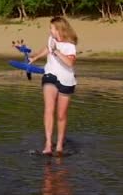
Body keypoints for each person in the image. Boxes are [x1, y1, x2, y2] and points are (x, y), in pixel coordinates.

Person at [28, 17, 78, 156]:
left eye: (52, 28)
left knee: (61, 115)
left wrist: (56, 51)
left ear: (59, 29)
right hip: (50, 75)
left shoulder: (70, 45)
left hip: (66, 80)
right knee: (49, 109)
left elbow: (70, 63)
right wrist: (35, 57)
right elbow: (47, 48)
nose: (50, 30)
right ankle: (49, 144)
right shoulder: (51, 39)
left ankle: (60, 144)